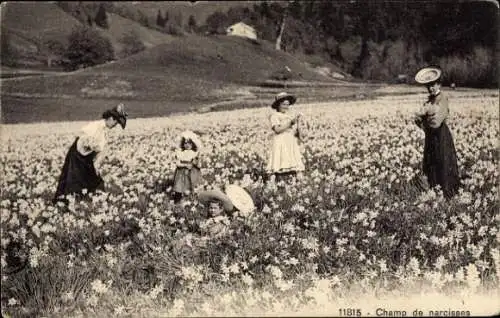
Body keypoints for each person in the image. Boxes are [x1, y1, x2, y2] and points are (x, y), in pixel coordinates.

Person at [53, 104, 128, 204]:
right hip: (77, 155)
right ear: (110, 118)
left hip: (87, 157)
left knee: (94, 181)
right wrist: (89, 148)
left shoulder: (104, 131)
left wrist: (95, 165)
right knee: (71, 180)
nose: (115, 125)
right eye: (115, 121)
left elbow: (98, 151)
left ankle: (93, 202)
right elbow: (83, 141)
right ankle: (65, 203)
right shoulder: (95, 126)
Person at [413, 67, 460, 199]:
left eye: (433, 85)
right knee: (432, 162)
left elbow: (436, 122)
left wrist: (425, 116)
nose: (431, 88)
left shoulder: (442, 99)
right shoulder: (429, 101)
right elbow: (419, 121)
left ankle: (447, 194)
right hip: (431, 136)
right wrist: (421, 120)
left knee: (443, 161)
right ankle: (434, 191)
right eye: (428, 86)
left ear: (439, 84)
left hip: (441, 135)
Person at [266, 92, 305, 182]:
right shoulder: (274, 116)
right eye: (283, 104)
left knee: (293, 162)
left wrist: (298, 123)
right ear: (278, 105)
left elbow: (297, 133)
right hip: (280, 141)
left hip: (290, 141)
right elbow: (277, 130)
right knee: (278, 161)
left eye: (287, 105)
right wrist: (291, 122)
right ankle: (274, 183)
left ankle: (296, 182)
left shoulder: (289, 116)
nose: (286, 107)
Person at [172, 130, 202, 202]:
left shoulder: (194, 153)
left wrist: (197, 162)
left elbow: (199, 165)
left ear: (193, 144)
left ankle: (191, 201)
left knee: (191, 186)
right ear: (183, 144)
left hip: (191, 172)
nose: (187, 145)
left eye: (189, 143)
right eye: (185, 143)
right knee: (179, 187)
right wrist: (185, 165)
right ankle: (177, 201)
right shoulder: (180, 153)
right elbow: (177, 163)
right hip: (181, 173)